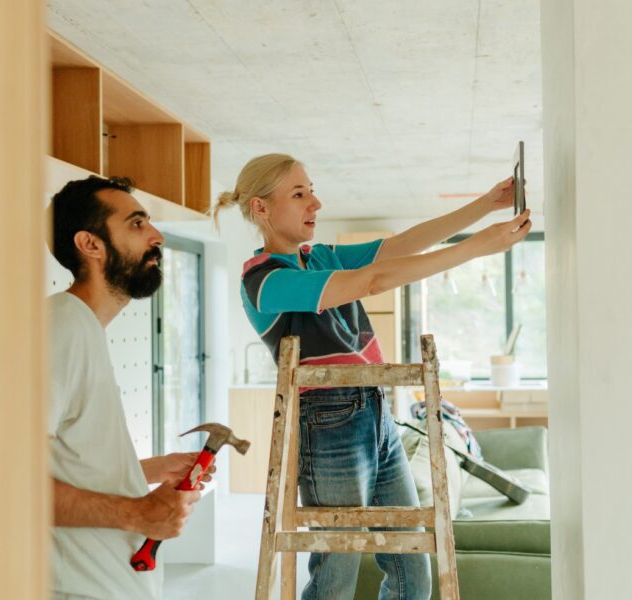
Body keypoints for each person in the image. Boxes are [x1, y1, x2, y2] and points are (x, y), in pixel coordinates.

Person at [214, 154, 530, 600]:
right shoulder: (264, 281)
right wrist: (477, 247)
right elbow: (373, 280)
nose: (315, 203)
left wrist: (484, 205)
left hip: (376, 413)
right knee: (336, 574)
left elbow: (398, 246)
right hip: (329, 422)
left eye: (311, 189)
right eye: (299, 194)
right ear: (261, 210)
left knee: (411, 571)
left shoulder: (317, 256)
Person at [47, 175, 213, 600]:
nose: (156, 236)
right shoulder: (61, 327)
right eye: (137, 224)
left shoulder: (82, 327)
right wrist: (139, 512)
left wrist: (151, 470)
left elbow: (66, 467)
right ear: (91, 244)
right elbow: (7, 482)